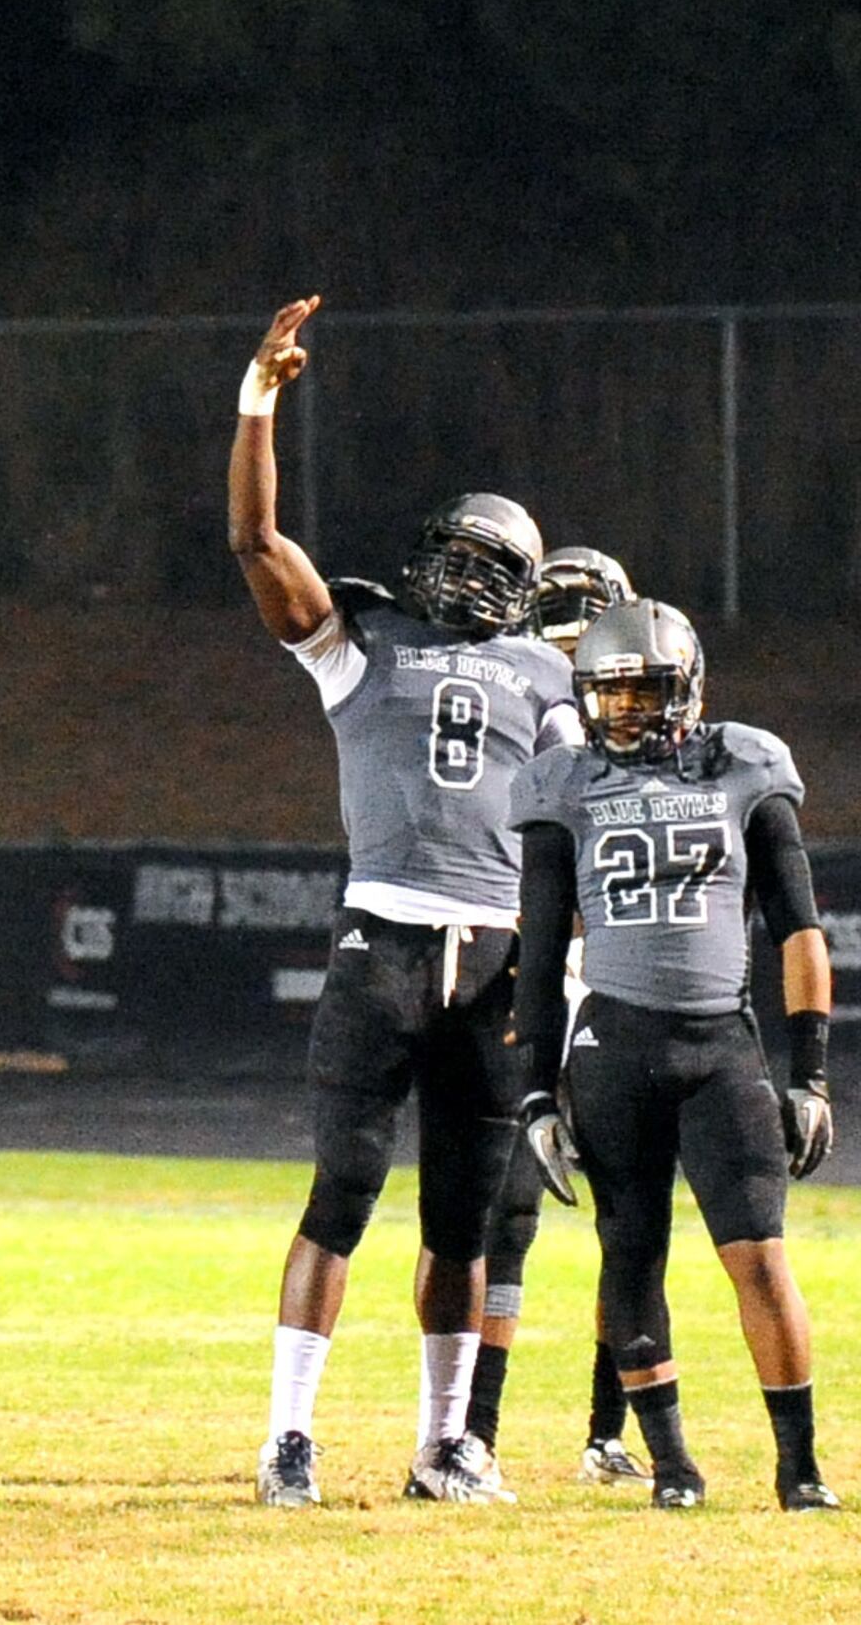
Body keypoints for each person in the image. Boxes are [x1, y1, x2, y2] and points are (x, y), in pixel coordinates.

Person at [231, 296, 580, 1508]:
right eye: (461, 557)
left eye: (496, 569)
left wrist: (573, 972)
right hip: (383, 937)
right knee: (341, 1196)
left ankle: (444, 1444)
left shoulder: (550, 674)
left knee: (463, 1224)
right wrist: (258, 401)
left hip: (494, 958)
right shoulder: (358, 638)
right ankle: (288, 1439)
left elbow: (575, 824)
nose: (468, 580)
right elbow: (257, 541)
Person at [512, 597, 837, 1512]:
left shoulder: (746, 764)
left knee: (763, 1258)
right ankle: (671, 1464)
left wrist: (809, 1072)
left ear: (689, 690)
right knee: (631, 1253)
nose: (627, 713)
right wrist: (536, 1091)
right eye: (609, 695)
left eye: (645, 692)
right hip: (614, 1044)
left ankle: (799, 1465)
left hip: (720, 1043)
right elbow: (539, 949)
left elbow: (800, 928)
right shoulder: (563, 783)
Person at [477, 545, 640, 1483]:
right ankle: (482, 1429)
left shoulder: (644, 727)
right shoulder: (524, 712)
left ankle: (605, 1430)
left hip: (605, 975)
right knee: (511, 1209)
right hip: (537, 965)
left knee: (626, 1211)